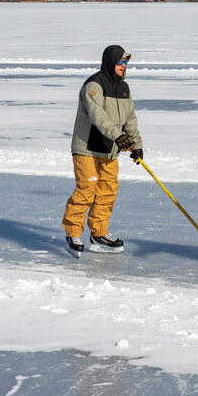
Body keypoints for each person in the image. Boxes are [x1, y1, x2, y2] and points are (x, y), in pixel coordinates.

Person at [62, 44, 143, 256]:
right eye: (119, 62)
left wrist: (136, 144)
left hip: (109, 151)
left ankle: (99, 233)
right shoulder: (94, 85)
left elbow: (130, 118)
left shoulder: (124, 88)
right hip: (86, 148)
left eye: (125, 62)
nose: (123, 66)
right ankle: (72, 232)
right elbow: (98, 115)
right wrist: (118, 136)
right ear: (110, 62)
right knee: (87, 189)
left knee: (107, 190)